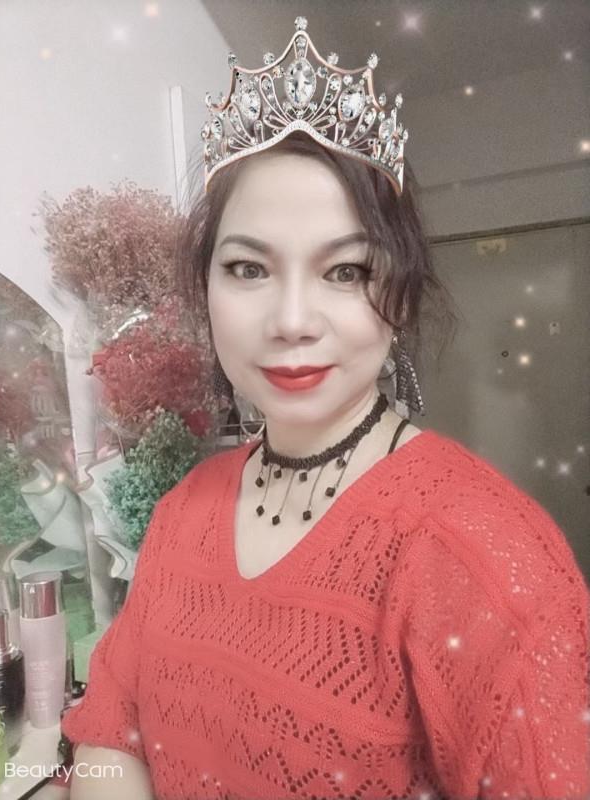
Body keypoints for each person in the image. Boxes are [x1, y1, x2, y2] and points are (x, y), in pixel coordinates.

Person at [61, 17, 589, 800]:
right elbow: (113, 726)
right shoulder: (180, 515)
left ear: (400, 296)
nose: (291, 320)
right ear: (205, 290)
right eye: (248, 268)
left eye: (345, 271)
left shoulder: (483, 558)